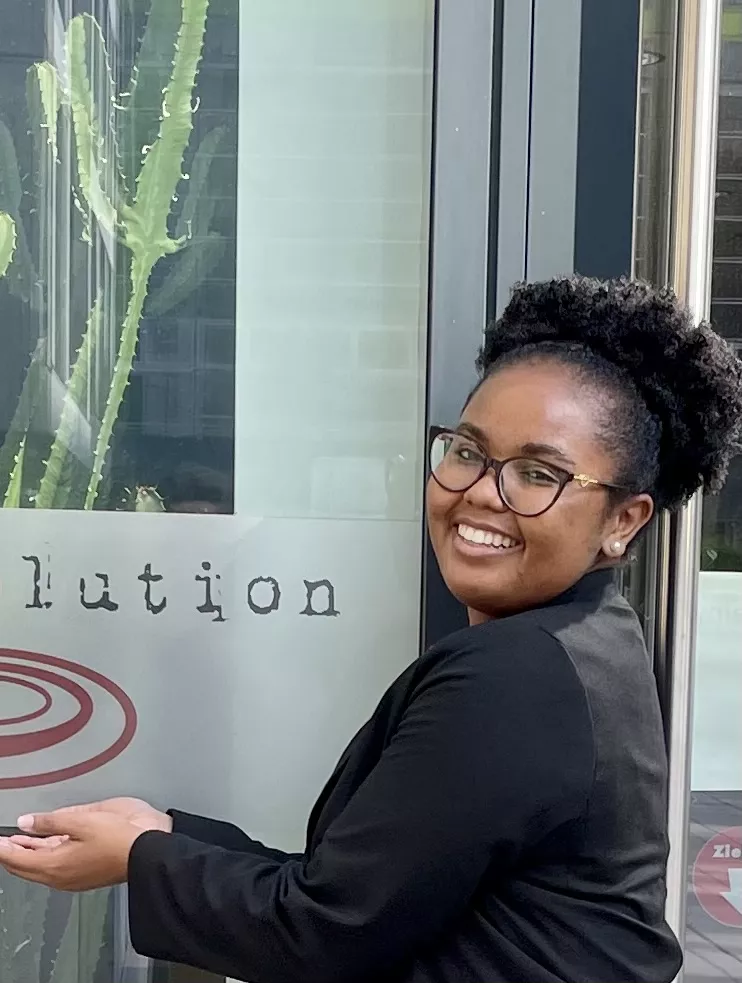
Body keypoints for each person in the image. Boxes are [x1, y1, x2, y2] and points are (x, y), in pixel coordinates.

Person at [2, 276, 741, 983]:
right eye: (467, 451)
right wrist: (162, 835)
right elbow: (375, 892)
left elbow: (324, 932)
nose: (481, 493)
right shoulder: (589, 642)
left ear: (623, 521)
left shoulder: (516, 676)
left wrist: (140, 854)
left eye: (539, 475)